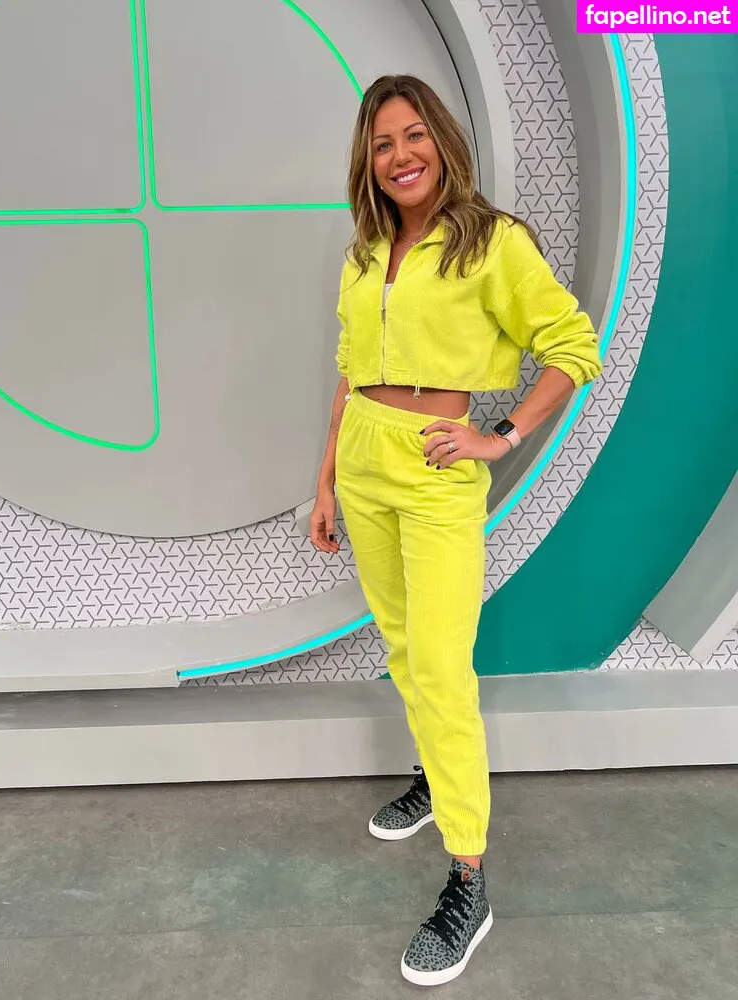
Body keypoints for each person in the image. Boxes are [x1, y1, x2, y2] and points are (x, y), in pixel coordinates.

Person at [309, 75, 603, 987]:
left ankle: (469, 879)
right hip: (364, 459)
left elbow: (574, 347)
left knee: (442, 667)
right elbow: (350, 372)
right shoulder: (366, 252)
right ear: (367, 162)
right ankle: (436, 781)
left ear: (441, 140)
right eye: (381, 144)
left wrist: (500, 436)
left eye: (413, 136)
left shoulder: (493, 242)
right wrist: (325, 483)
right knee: (403, 648)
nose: (399, 156)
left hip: (437, 469)